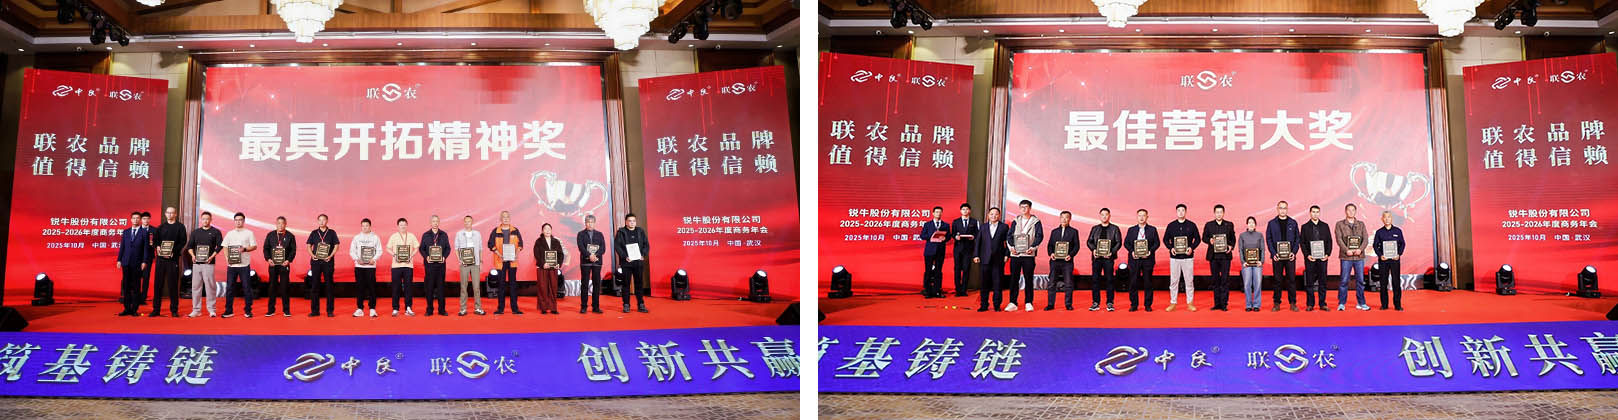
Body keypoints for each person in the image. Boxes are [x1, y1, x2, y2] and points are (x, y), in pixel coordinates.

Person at [1006, 200, 1043, 312]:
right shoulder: (1015, 221)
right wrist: (1011, 247)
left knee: (1028, 279)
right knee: (1014, 279)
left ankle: (1028, 302)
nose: (1023, 209)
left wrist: (1033, 248)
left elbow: (1039, 236)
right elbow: (1009, 236)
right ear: (1019, 208)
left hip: (1028, 254)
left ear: (1030, 208)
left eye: (1026, 207)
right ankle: (1013, 302)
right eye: (1022, 207)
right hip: (1015, 254)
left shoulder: (1036, 221)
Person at [149, 207, 187, 317]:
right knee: (158, 284)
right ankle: (156, 309)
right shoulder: (161, 227)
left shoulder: (180, 227)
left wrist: (173, 251)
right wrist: (157, 247)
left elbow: (183, 241)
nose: (170, 214)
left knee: (173, 285)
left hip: (173, 259)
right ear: (165, 214)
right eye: (168, 213)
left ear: (175, 214)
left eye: (172, 213)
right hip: (161, 260)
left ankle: (174, 310)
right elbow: (155, 241)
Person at [1164, 204, 1201, 312]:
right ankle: (1173, 303)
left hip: (1187, 257)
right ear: (1176, 212)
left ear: (1186, 212)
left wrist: (1191, 248)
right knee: (1173, 281)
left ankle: (1190, 303)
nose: (1181, 212)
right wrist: (1170, 248)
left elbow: (1198, 239)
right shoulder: (1171, 225)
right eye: (1179, 210)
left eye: (1183, 210)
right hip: (1174, 257)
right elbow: (1165, 239)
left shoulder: (1192, 225)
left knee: (1189, 281)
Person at [220, 213, 258, 319]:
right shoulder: (230, 233)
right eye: (236, 220)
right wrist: (227, 258)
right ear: (234, 221)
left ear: (244, 221)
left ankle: (248, 311)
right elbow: (225, 246)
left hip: (244, 265)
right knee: (230, 288)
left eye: (240, 220)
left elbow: (254, 246)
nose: (238, 222)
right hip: (232, 265)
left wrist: (244, 249)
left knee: (246, 288)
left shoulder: (249, 233)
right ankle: (228, 310)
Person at [115, 211, 152, 316]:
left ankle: (134, 309)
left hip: (138, 262)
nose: (135, 220)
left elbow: (146, 248)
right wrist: (119, 260)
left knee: (136, 286)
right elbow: (122, 247)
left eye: (137, 218)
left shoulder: (144, 232)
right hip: (126, 262)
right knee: (126, 286)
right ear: (131, 220)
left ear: (140, 220)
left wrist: (144, 261)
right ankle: (127, 308)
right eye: (133, 218)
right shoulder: (126, 232)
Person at [1335, 204, 1371, 311]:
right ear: (1345, 211)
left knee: (1360, 281)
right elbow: (1339, 239)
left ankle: (1361, 303)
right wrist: (1346, 250)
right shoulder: (1339, 224)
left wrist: (1360, 249)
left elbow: (1366, 239)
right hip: (1346, 257)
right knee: (1344, 281)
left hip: (1359, 257)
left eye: (1353, 210)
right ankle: (1341, 303)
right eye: (1349, 210)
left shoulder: (1361, 224)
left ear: (1355, 211)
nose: (1351, 212)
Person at [187, 212, 223, 317]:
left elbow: (220, 246)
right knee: (196, 287)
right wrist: (193, 256)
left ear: (211, 220)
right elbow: (189, 246)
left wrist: (212, 256)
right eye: (203, 219)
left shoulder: (216, 232)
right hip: (197, 264)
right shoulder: (195, 232)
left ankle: (212, 309)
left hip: (209, 263)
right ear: (201, 219)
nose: (205, 221)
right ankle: (196, 310)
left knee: (210, 286)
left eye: (207, 219)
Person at [1266, 201, 1300, 312]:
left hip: (1290, 257)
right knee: (1277, 280)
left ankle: (1293, 303)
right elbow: (1269, 239)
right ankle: (1276, 303)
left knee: (1291, 280)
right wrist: (1273, 253)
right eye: (1281, 208)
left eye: (1284, 208)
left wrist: (1293, 252)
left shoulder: (1293, 223)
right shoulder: (1271, 223)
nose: (1282, 210)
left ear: (1287, 209)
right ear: (1277, 209)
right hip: (1277, 257)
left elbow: (1297, 239)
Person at [487, 211, 524, 315]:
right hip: (500, 261)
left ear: (510, 218)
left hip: (512, 261)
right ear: (500, 219)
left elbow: (520, 244)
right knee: (501, 285)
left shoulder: (515, 230)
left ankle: (515, 309)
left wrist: (516, 255)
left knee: (513, 285)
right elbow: (491, 244)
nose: (506, 218)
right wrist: (500, 255)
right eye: (504, 217)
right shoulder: (495, 231)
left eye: (507, 217)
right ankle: (500, 308)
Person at [1086, 208, 1122, 312]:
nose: (1104, 216)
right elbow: (1089, 241)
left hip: (1108, 259)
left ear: (1109, 216)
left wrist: (1112, 252)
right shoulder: (1095, 228)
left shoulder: (1115, 228)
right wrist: (1093, 250)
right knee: (1095, 280)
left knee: (1109, 280)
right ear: (1099, 216)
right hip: (1097, 258)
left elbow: (1118, 242)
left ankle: (1110, 303)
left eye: (1106, 214)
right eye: (1102, 215)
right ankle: (1095, 302)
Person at [974, 207, 1010, 312]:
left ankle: (997, 305)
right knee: (984, 283)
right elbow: (978, 242)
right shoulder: (983, 227)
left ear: (999, 215)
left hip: (998, 259)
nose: (994, 216)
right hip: (984, 258)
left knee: (997, 283)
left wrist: (1007, 255)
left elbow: (1008, 242)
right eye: (991, 214)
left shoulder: (1004, 227)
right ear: (988, 215)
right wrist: (976, 255)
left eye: (996, 214)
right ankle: (984, 304)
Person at [614, 213, 651, 313]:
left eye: (634, 221)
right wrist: (625, 256)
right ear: (626, 222)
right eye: (630, 221)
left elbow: (646, 245)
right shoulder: (621, 232)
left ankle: (641, 304)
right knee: (626, 284)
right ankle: (626, 305)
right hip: (626, 262)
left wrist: (643, 254)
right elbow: (617, 246)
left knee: (639, 284)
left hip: (638, 262)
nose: (632, 223)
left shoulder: (640, 231)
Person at [1125, 209, 1160, 312]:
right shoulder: (1131, 230)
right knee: (1133, 282)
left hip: (1147, 260)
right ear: (1137, 217)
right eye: (1139, 215)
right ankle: (1134, 304)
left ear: (1147, 217)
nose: (1141, 218)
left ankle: (1148, 305)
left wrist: (1150, 251)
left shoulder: (1152, 229)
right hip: (1134, 259)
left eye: (1143, 215)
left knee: (1148, 283)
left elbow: (1157, 243)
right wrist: (1132, 251)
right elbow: (1126, 243)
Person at [1202, 205, 1236, 312]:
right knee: (1215, 280)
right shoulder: (1209, 225)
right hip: (1213, 257)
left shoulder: (1229, 225)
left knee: (1225, 280)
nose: (1219, 214)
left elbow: (1233, 239)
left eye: (1221, 212)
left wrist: (1231, 247)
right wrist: (1209, 240)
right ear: (1214, 213)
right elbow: (1204, 237)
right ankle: (1217, 303)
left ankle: (1224, 304)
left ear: (1223, 213)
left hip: (1225, 256)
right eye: (1217, 212)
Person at [1045, 211, 1081, 311]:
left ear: (1070, 219)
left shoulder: (1074, 232)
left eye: (1066, 217)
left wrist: (1070, 255)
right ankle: (1050, 304)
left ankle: (1068, 304)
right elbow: (1050, 245)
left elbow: (1076, 246)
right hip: (1055, 261)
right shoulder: (1054, 231)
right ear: (1060, 218)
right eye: (1062, 217)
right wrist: (1051, 253)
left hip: (1067, 261)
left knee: (1068, 283)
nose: (1064, 219)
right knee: (1052, 283)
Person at [262, 216, 297, 317]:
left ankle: (286, 310)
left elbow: (293, 250)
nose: (280, 225)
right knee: (272, 287)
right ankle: (271, 310)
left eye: (282, 223)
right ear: (276, 224)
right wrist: (268, 259)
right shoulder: (270, 235)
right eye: (278, 223)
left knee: (285, 287)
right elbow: (265, 248)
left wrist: (288, 260)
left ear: (285, 224)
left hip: (284, 265)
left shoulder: (290, 236)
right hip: (273, 265)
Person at [1300, 205, 1333, 312]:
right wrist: (1307, 255)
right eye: (1313, 212)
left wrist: (1327, 254)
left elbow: (1329, 241)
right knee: (1310, 282)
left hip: (1322, 258)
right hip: (1310, 259)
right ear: (1310, 213)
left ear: (1319, 213)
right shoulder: (1305, 227)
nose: (1315, 214)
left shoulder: (1325, 226)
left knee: (1323, 282)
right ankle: (1310, 304)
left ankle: (1322, 303)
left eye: (1317, 212)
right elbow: (1302, 243)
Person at [306, 214, 339, 317]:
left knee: (329, 286)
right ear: (318, 221)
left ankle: (330, 311)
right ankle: (315, 311)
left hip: (328, 262)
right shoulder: (314, 233)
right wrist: (312, 255)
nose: (321, 222)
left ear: (327, 221)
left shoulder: (332, 232)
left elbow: (336, 246)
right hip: (316, 262)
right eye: (320, 220)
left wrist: (330, 256)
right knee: (315, 286)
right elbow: (308, 245)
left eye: (323, 220)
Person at [1374, 211, 1407, 311]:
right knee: (1383, 283)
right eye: (1385, 217)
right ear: (1382, 219)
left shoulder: (1398, 231)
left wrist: (1399, 254)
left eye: (1389, 217)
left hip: (1394, 260)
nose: (1387, 219)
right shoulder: (1379, 232)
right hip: (1383, 260)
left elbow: (1402, 244)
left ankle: (1397, 305)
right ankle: (1384, 305)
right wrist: (1380, 255)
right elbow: (1375, 245)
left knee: (1396, 282)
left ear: (1391, 218)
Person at [387, 218, 419, 317]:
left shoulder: (411, 236)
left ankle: (408, 308)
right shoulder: (393, 236)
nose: (403, 226)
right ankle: (395, 308)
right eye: (401, 225)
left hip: (408, 266)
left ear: (407, 225)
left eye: (404, 224)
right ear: (398, 226)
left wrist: (411, 255)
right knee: (396, 287)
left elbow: (417, 247)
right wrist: (395, 255)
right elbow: (388, 248)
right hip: (396, 266)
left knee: (408, 287)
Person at [420, 215, 451, 317]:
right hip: (429, 266)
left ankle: (442, 310)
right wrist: (426, 257)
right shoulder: (425, 235)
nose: (435, 223)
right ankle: (429, 310)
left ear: (439, 222)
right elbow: (421, 249)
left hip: (441, 266)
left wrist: (444, 257)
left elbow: (448, 248)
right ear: (431, 222)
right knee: (429, 288)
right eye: (433, 221)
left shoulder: (444, 235)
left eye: (437, 221)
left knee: (441, 288)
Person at [576, 214, 607, 314]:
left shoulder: (600, 234)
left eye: (592, 222)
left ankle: (596, 306)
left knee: (596, 284)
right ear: (585, 223)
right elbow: (581, 247)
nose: (590, 224)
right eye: (588, 222)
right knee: (584, 284)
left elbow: (603, 248)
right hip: (585, 262)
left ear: (594, 223)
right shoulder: (581, 234)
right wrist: (589, 255)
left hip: (597, 262)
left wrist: (595, 255)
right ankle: (584, 306)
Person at [350, 219, 381, 317]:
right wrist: (356, 259)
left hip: (371, 266)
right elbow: (352, 250)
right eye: (363, 226)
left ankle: (372, 309)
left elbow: (379, 250)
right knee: (360, 287)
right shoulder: (356, 237)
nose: (364, 228)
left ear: (370, 226)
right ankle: (360, 309)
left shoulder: (375, 237)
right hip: (359, 266)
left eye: (366, 226)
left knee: (372, 287)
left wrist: (374, 259)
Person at [456, 215, 486, 316]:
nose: (467, 223)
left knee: (476, 287)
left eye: (469, 221)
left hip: (475, 263)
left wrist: (480, 261)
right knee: (463, 286)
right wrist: (460, 259)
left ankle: (478, 308)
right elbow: (456, 248)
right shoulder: (459, 234)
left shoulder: (477, 234)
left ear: (472, 222)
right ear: (464, 222)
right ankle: (463, 309)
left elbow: (480, 248)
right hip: (464, 263)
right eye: (466, 221)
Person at [918, 206, 950, 298]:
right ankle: (928, 291)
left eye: (940, 212)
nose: (938, 214)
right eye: (936, 212)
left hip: (940, 250)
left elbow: (948, 236)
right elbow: (922, 235)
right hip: (929, 250)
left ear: (942, 213)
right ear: (933, 213)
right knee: (928, 271)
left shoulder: (946, 225)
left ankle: (937, 291)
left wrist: (945, 238)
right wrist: (931, 236)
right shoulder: (927, 224)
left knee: (938, 271)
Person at [533, 223, 565, 314]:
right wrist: (543, 264)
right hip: (542, 268)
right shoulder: (539, 241)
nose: (547, 230)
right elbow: (536, 254)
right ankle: (543, 308)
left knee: (553, 287)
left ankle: (553, 308)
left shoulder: (556, 241)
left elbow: (560, 254)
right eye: (545, 229)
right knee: (542, 288)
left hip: (553, 268)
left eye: (549, 229)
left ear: (551, 230)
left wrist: (558, 264)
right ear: (542, 231)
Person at [950, 203, 979, 297]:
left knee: (966, 269)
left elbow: (977, 234)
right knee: (957, 269)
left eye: (967, 209)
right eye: (963, 209)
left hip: (968, 249)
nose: (965, 211)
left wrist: (973, 237)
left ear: (969, 211)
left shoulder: (974, 222)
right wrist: (955, 237)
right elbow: (952, 234)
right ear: (960, 211)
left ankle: (964, 290)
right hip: (958, 248)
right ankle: (958, 290)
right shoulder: (956, 222)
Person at [1238, 217, 1266, 312]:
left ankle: (1257, 304)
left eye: (1253, 223)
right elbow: (1240, 249)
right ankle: (1248, 304)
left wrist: (1261, 261)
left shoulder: (1259, 235)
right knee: (1247, 284)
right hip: (1246, 264)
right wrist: (1243, 262)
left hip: (1257, 264)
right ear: (1247, 224)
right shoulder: (1242, 235)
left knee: (1257, 284)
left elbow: (1262, 249)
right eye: (1249, 222)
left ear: (1255, 225)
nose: (1251, 224)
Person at [137, 211, 154, 311]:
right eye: (144, 219)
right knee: (136, 277)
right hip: (137, 257)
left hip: (148, 258)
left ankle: (143, 298)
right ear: (141, 220)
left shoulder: (154, 230)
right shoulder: (137, 229)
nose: (146, 220)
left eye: (147, 219)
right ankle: (136, 297)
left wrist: (153, 243)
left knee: (146, 277)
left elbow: (158, 242)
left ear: (150, 219)